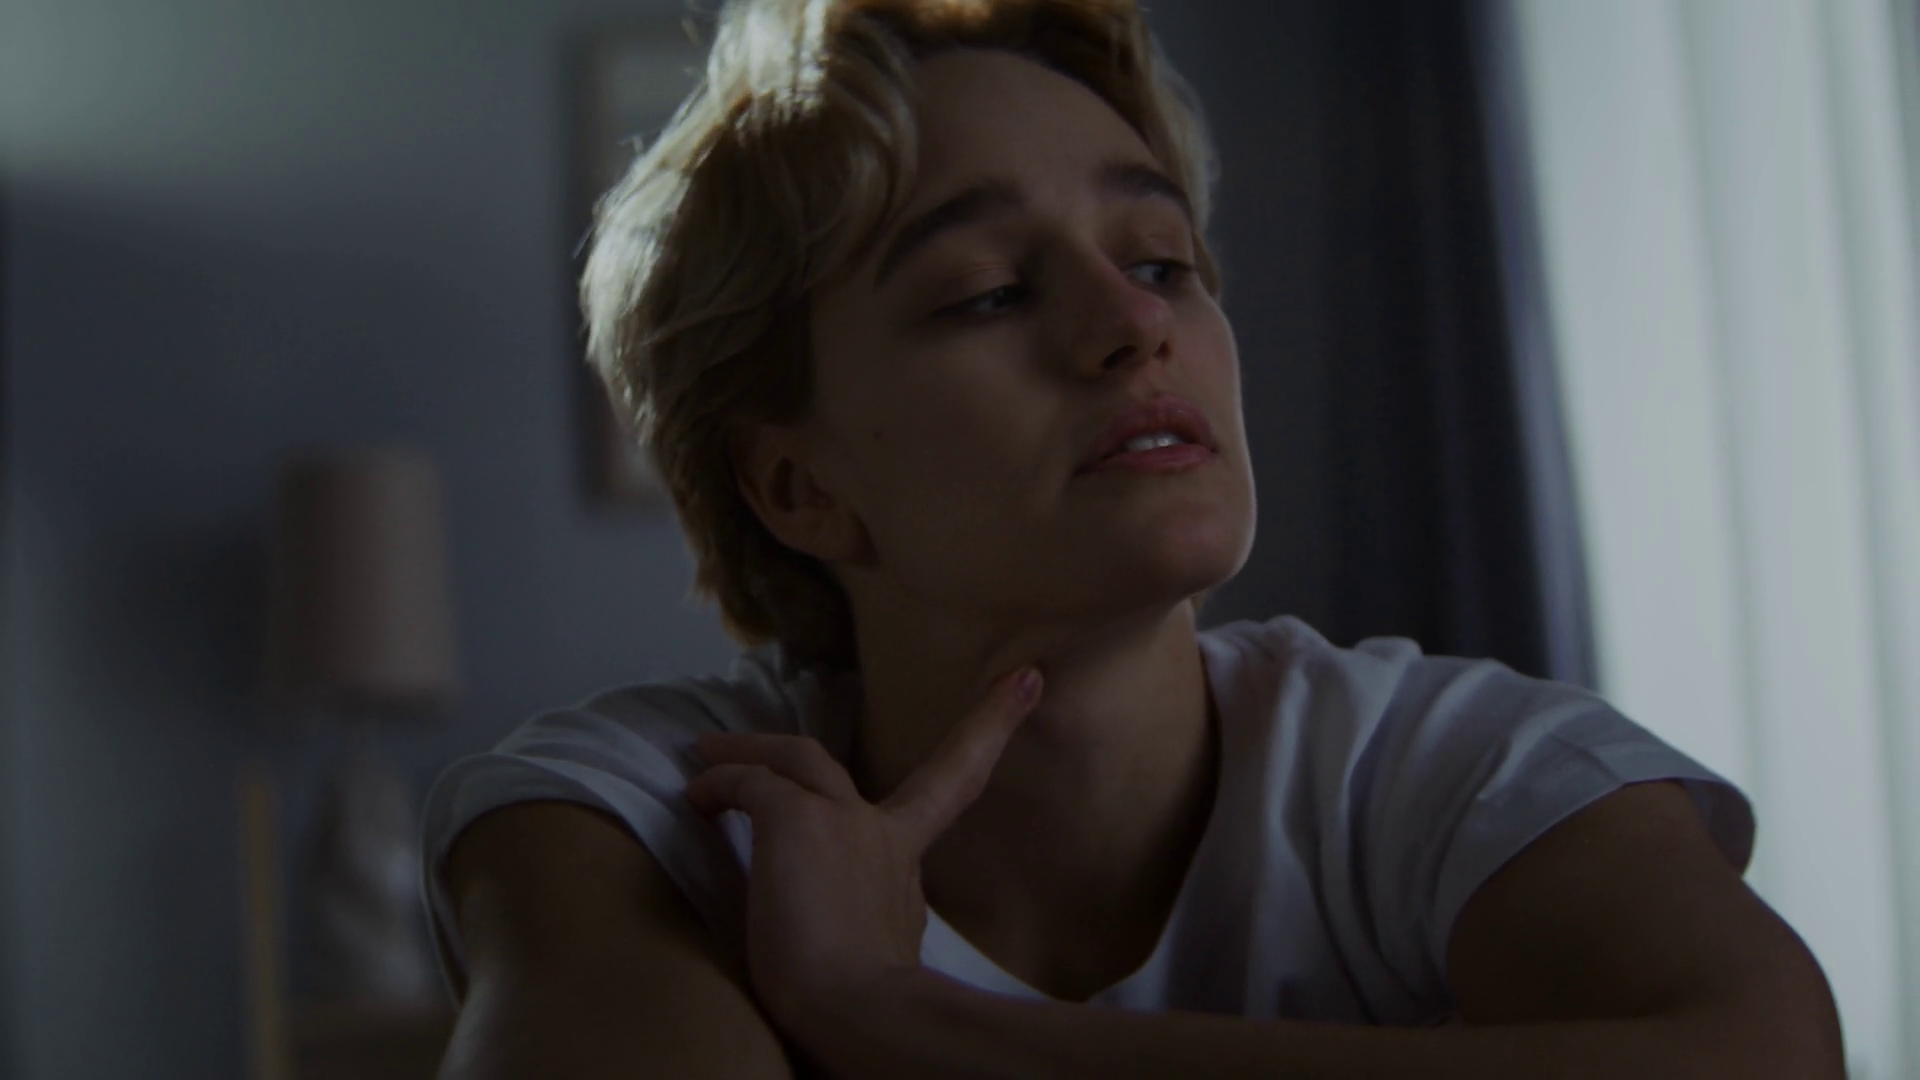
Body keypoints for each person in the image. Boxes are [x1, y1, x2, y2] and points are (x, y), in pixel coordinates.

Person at [422, 1, 1845, 1076]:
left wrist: (892, 1016)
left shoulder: (1444, 766)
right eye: (989, 290)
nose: (1133, 323)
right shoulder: (641, 817)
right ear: (796, 486)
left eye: (1162, 260)